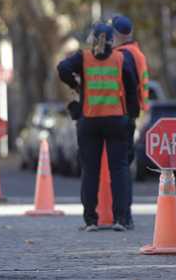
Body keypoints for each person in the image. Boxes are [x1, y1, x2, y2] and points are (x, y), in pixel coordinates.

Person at [58, 23, 139, 231]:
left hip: (89, 120)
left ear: (92, 38)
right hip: (116, 120)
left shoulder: (83, 58)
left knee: (90, 171)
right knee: (119, 169)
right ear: (112, 40)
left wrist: (76, 85)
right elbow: (132, 89)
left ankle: (90, 220)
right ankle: (121, 219)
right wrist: (132, 116)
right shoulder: (121, 58)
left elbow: (62, 68)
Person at [111, 15, 149, 164]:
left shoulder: (123, 56)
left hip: (123, 113)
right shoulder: (136, 53)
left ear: (116, 35)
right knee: (124, 161)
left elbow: (129, 86)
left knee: (120, 162)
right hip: (131, 113)